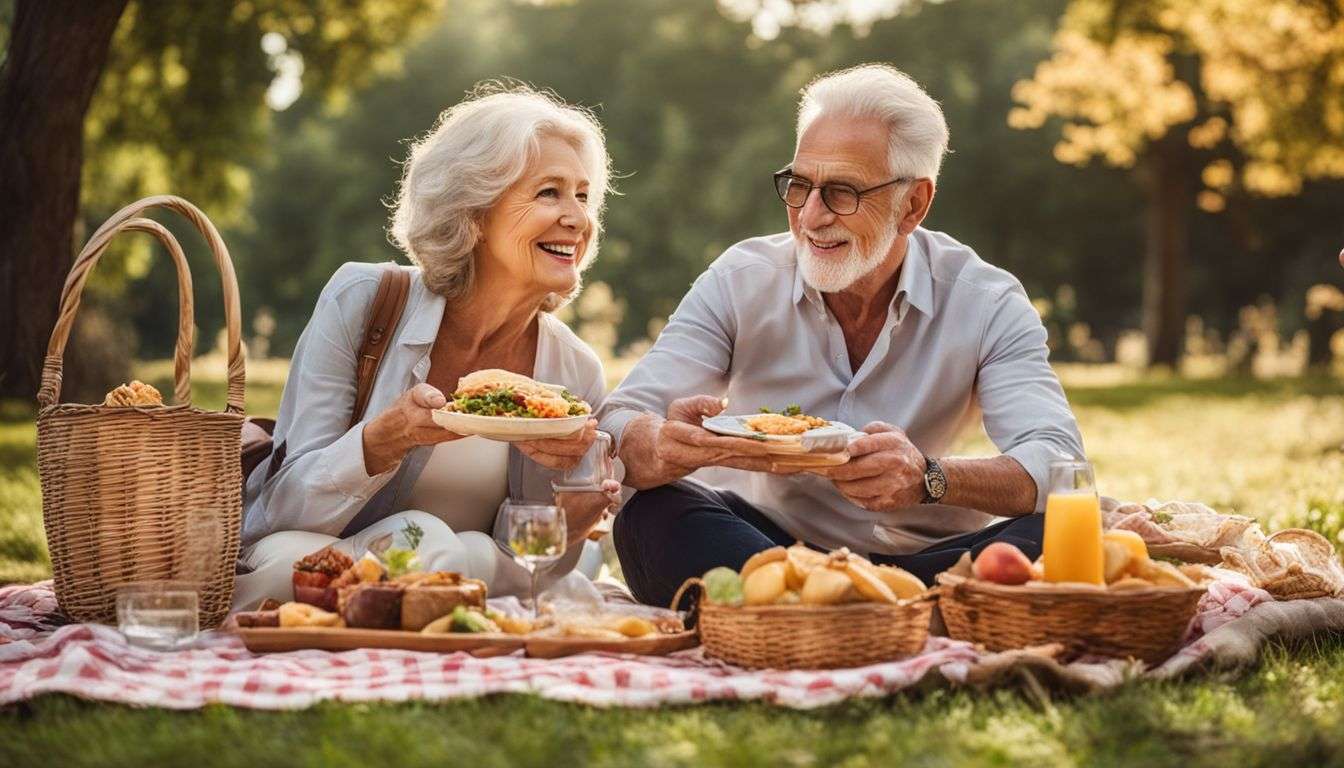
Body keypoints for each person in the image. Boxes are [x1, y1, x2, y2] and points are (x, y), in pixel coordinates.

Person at [599, 64, 1086, 608]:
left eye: (842, 192)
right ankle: (898, 618)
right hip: (764, 549)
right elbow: (618, 423)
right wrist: (662, 446)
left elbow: (1058, 465)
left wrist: (930, 478)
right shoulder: (739, 279)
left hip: (929, 558)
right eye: (800, 185)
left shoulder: (987, 300)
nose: (810, 215)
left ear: (914, 204)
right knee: (653, 516)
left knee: (1059, 535)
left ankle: (813, 614)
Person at [235, 84, 618, 610]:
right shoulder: (364, 302)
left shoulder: (573, 372)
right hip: (318, 548)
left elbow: (530, 558)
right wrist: (380, 443)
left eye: (582, 194)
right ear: (475, 211)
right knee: (300, 557)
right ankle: (424, 585)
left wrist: (574, 518)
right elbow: (281, 513)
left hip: (462, 571)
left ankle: (413, 589)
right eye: (549, 192)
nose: (577, 217)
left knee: (447, 549)